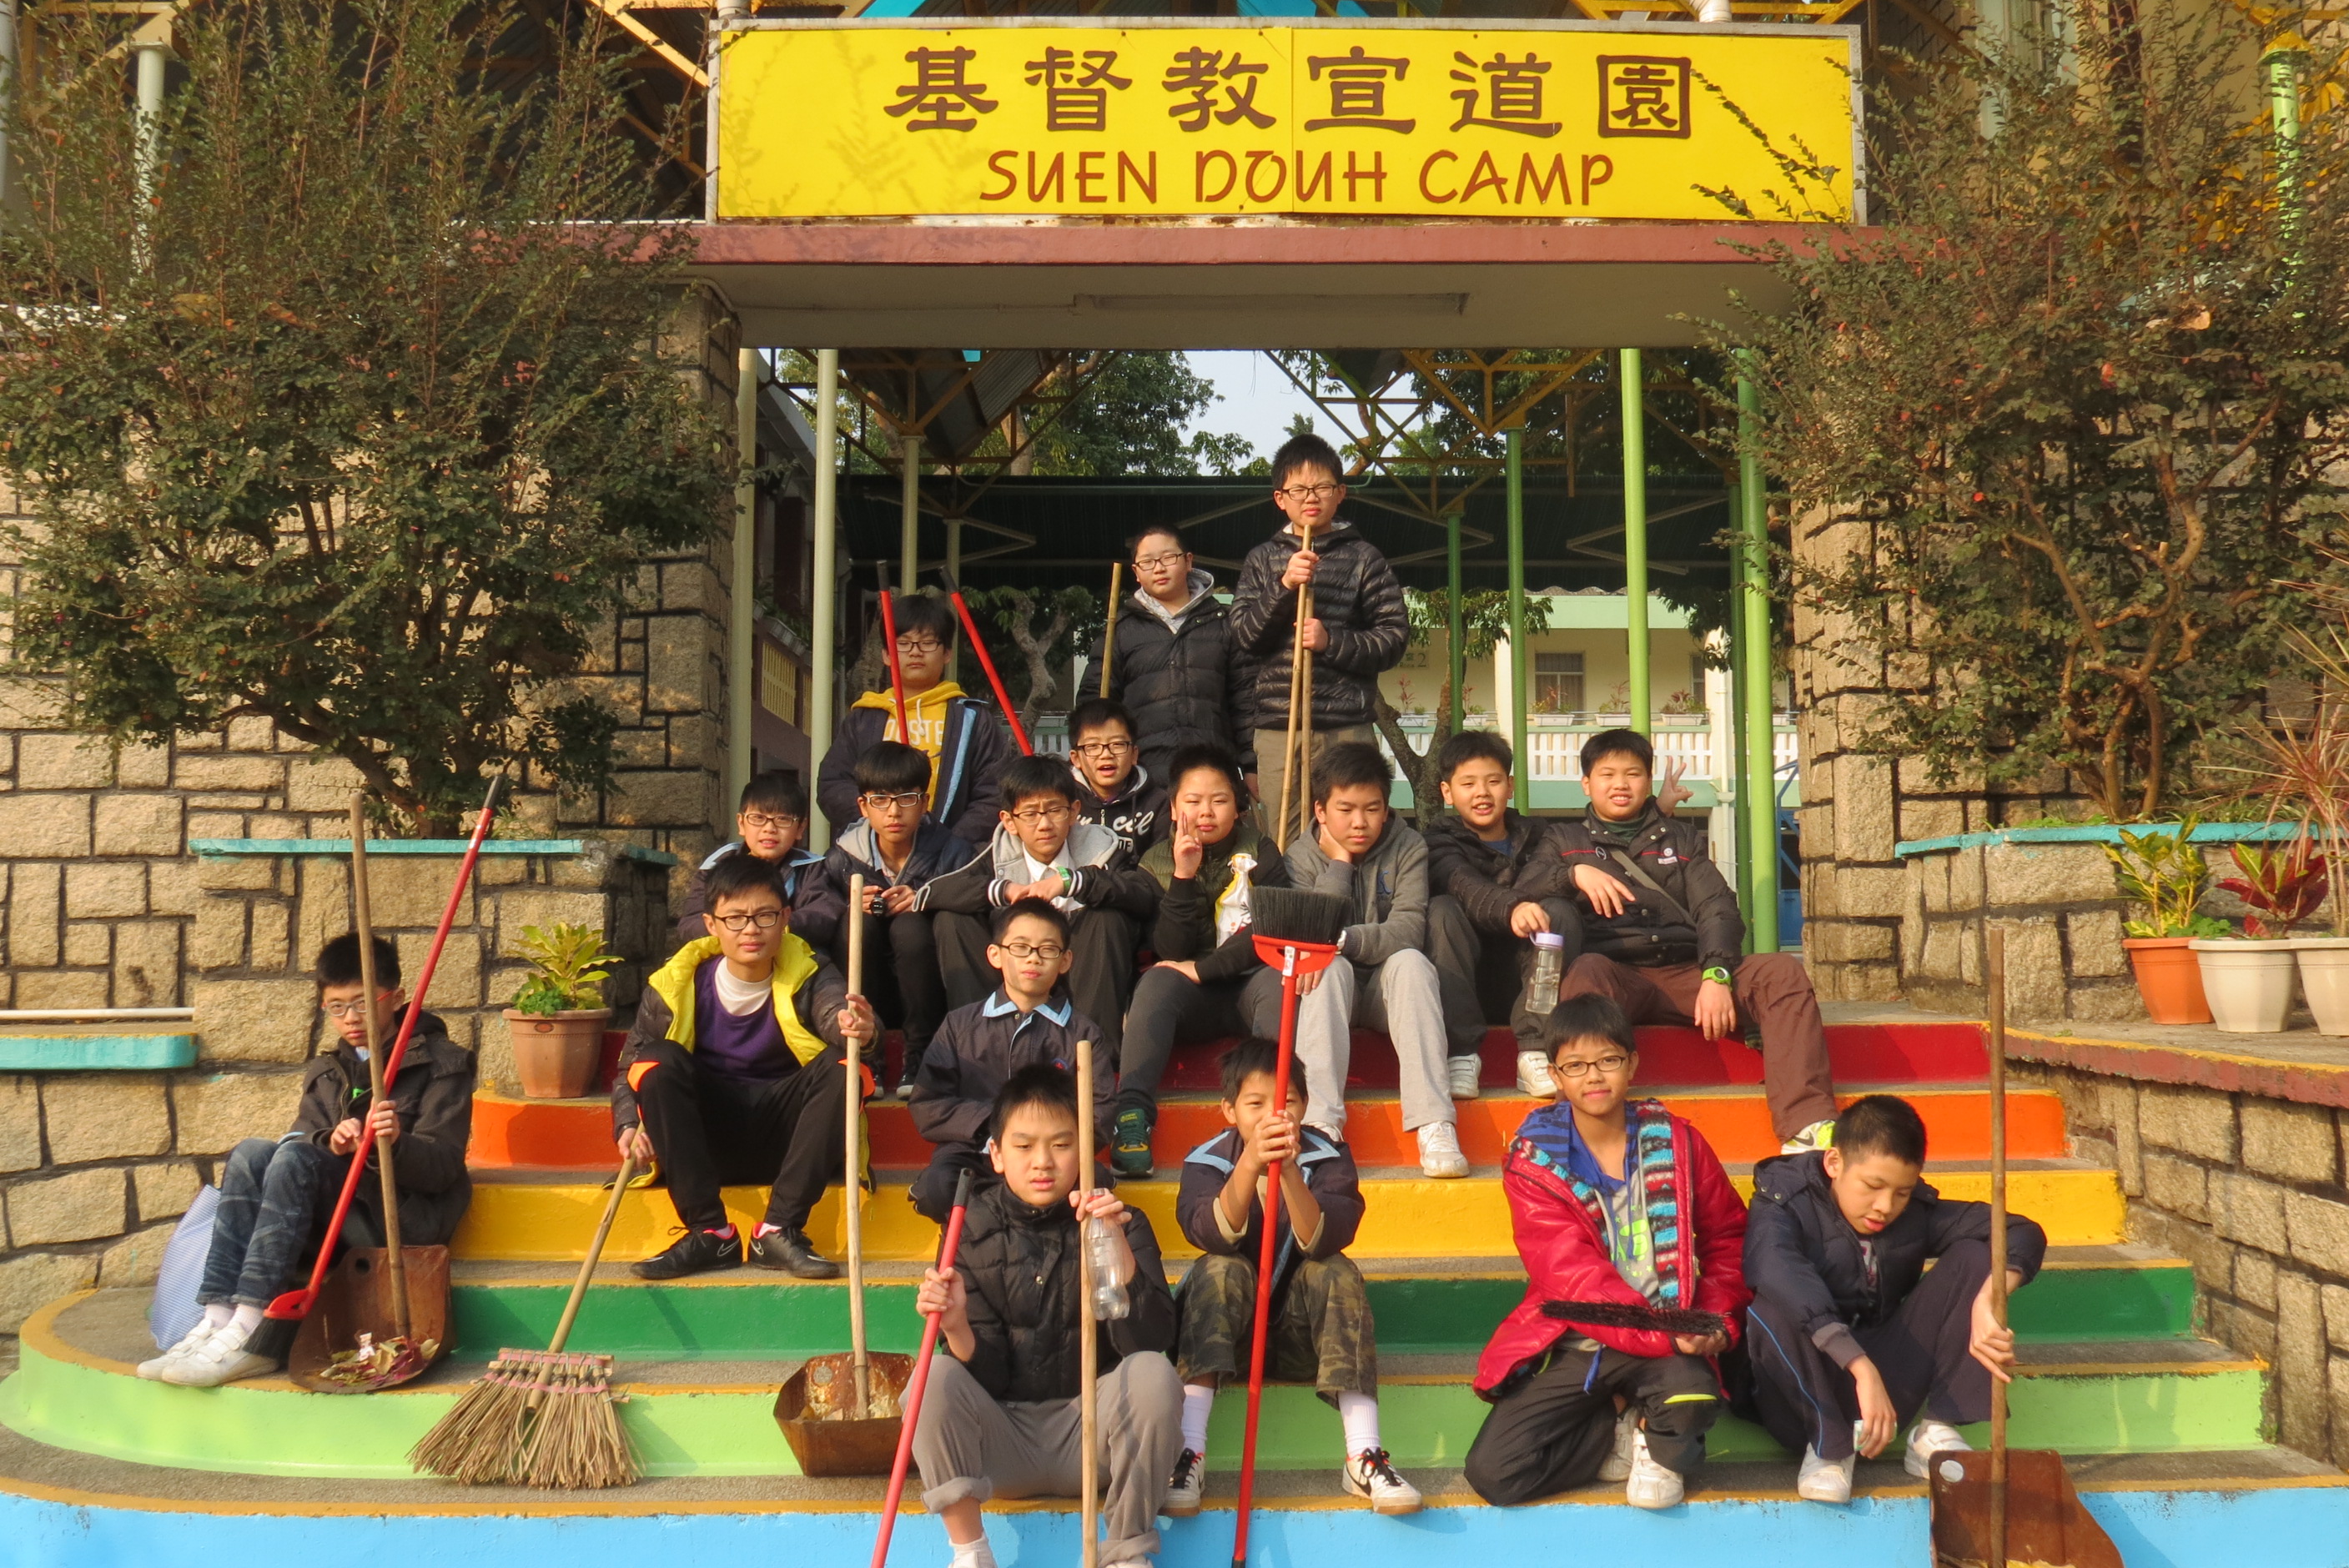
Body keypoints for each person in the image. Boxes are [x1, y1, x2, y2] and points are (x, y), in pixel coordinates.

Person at [140, 933, 477, 1388]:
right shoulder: (328, 1070)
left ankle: (253, 1329)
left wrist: (395, 1143)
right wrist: (330, 1142)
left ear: (396, 998)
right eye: (336, 1007)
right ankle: (217, 1318)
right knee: (252, 1152)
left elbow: (443, 1169)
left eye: (363, 1003)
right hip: (330, 1214)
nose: (350, 1018)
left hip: (399, 1220)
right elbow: (302, 1138)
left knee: (297, 1157)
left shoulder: (443, 1065)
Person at [1464, 994, 1752, 1510]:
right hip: (1583, 1340)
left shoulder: (1679, 1143)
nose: (1593, 1076)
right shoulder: (1534, 1164)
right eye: (1575, 1065)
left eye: (1608, 1060)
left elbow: (1730, 1238)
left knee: (1692, 1395)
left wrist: (1711, 1320)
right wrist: (1667, 1334)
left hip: (1670, 1333)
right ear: (1555, 1075)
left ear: (1632, 1064)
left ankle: (1652, 1438)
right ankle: (1620, 1428)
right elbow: (1573, 1278)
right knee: (1495, 1472)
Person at [911, 1064, 1184, 1568]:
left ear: (1084, 1152)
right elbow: (990, 1376)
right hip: (1003, 1441)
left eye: (1061, 1145)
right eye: (1024, 1146)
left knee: (1154, 1374)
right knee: (930, 1376)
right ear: (996, 1154)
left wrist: (1115, 1251)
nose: (1043, 1162)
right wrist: (956, 1326)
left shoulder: (1122, 1222)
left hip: (1093, 1435)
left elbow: (1152, 1340)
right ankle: (970, 1553)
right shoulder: (969, 1230)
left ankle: (1126, 1551)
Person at [1744, 1094, 2045, 1504]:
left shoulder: (1914, 1212)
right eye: (1873, 1187)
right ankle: (1829, 1448)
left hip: (1886, 1384)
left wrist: (1987, 1300)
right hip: (1801, 1394)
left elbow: (2021, 1231)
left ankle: (1936, 1430)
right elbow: (1775, 1269)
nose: (1885, 1207)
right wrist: (1859, 1365)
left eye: (1902, 1192)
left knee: (1978, 1256)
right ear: (1834, 1163)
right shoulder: (1783, 1199)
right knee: (1773, 1303)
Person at [1555, 726, 1839, 1153]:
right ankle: (1583, 1122)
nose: (1620, 784)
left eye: (1632, 774)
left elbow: (1718, 908)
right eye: (1607, 775)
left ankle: (1806, 1122)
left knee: (1781, 971)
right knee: (1585, 973)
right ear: (1586, 783)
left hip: (1687, 971)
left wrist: (1716, 973)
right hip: (1617, 975)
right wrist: (1571, 873)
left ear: (1647, 781)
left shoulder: (1682, 838)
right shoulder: (1564, 840)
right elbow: (1526, 888)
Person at [1168, 1038, 1421, 1517]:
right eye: (1256, 1103)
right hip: (1232, 1344)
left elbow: (1324, 1238)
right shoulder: (1207, 1161)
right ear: (1229, 1110)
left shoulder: (1328, 1157)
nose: (1273, 1114)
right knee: (1218, 1268)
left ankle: (1364, 1455)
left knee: (1336, 1269)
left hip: (1303, 1340)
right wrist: (1250, 1163)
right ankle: (1189, 1453)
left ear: (1304, 1105)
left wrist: (1287, 1172)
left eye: (1286, 1101)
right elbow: (1211, 1233)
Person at [611, 853, 877, 1280]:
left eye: (764, 916)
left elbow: (837, 1013)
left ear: (785, 918)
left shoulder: (811, 970)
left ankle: (779, 1229)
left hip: (790, 1140)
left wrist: (857, 1027)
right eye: (735, 918)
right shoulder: (675, 983)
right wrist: (627, 1123)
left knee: (845, 1064)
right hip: (706, 1140)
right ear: (711, 924)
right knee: (657, 1059)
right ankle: (709, 1233)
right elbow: (630, 1067)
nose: (750, 929)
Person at [1284, 741, 1466, 1179]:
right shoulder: (1299, 857)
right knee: (1325, 966)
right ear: (1320, 810)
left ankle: (1434, 1123)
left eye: (1372, 809)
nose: (1360, 822)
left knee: (1411, 962)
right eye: (1345, 810)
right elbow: (1312, 934)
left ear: (1386, 808)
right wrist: (1340, 864)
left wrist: (1344, 940)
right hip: (1332, 995)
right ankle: (1320, 1123)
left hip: (1390, 993)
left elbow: (1408, 929)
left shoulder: (1409, 846)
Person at [918, 753, 1159, 1070]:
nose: (1044, 824)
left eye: (1055, 810)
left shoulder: (1103, 847)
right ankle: (979, 1049)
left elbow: (1144, 894)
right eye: (1030, 814)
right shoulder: (995, 854)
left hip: (1080, 965)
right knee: (952, 919)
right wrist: (1005, 890)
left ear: (1074, 811)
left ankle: (1093, 1059)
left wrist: (1073, 882)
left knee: (1108, 918)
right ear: (1009, 821)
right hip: (1014, 967)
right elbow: (932, 892)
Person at [1112, 743, 1288, 1178]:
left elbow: (1271, 930)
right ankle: (1132, 1118)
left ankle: (1271, 1118)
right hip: (1191, 997)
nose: (1206, 812)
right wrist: (1183, 876)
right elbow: (1171, 950)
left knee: (1278, 981)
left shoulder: (1262, 851)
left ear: (1238, 807)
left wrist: (1204, 968)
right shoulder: (1155, 861)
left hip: (1250, 983)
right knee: (1156, 981)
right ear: (1174, 808)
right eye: (1193, 801)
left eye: (1219, 800)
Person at [1228, 433, 1407, 827]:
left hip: (1347, 726)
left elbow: (1393, 638)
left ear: (1340, 493)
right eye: (1299, 489)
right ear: (1280, 498)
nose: (1311, 497)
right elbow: (1244, 637)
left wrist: (1331, 641)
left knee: (1352, 833)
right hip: (1280, 728)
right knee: (1285, 835)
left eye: (1322, 487)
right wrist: (1283, 586)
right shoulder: (1262, 560)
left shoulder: (1364, 558)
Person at [907, 899, 1114, 1223]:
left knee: (1094, 1186)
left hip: (1050, 1159)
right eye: (1020, 947)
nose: (1033, 958)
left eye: (1048, 949)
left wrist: (1045, 1138)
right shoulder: (960, 1026)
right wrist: (998, 1128)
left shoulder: (1083, 1034)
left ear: (1065, 961)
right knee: (940, 1187)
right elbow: (928, 1104)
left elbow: (1100, 1113)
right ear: (995, 954)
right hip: (974, 1152)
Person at [794, 741, 977, 1097]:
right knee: (856, 924)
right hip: (868, 986)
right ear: (863, 806)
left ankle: (920, 1056)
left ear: (924, 802)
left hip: (929, 989)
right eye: (880, 800)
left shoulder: (954, 853)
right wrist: (849, 905)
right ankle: (869, 1057)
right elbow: (820, 914)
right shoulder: (841, 859)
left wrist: (925, 899)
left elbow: (974, 902)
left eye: (906, 799)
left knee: (910, 926)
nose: (893, 812)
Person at [1422, 731, 1578, 1102]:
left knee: (1561, 911)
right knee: (1442, 909)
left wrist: (1661, 811)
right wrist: (1513, 908)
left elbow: (1582, 845)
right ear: (1447, 792)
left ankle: (1536, 1051)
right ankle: (1460, 1055)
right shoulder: (1436, 841)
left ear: (1509, 786)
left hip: (1530, 980)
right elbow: (1463, 885)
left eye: (1493, 781)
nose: (1482, 793)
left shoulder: (1541, 835)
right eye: (1468, 784)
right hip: (1465, 983)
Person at [816, 591, 1013, 849]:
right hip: (874, 854)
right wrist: (879, 829)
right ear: (886, 654)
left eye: (928, 643)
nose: (916, 652)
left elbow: (994, 791)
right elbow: (833, 784)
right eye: (904, 643)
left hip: (951, 859)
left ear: (947, 653)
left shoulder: (972, 720)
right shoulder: (864, 718)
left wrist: (948, 845)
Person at [1080, 525, 1253, 788]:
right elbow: (1095, 703)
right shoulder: (1120, 631)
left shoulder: (1224, 623)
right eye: (1147, 562)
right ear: (1136, 573)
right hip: (1142, 777)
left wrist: (1251, 765)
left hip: (1214, 771)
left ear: (1188, 561)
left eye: (1168, 558)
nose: (1159, 568)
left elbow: (1245, 701)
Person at [677, 771, 824, 943]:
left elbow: (821, 915)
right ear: (741, 823)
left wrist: (772, 927)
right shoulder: (718, 864)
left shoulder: (812, 869)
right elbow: (690, 923)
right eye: (758, 818)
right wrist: (733, 929)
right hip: (726, 948)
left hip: (789, 947)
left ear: (800, 828)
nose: (769, 829)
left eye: (782, 820)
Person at [1065, 696, 1169, 860]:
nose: (1106, 755)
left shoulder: (1158, 804)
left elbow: (1159, 866)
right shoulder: (1063, 800)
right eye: (1093, 746)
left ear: (1134, 754)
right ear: (1076, 758)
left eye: (1117, 744)